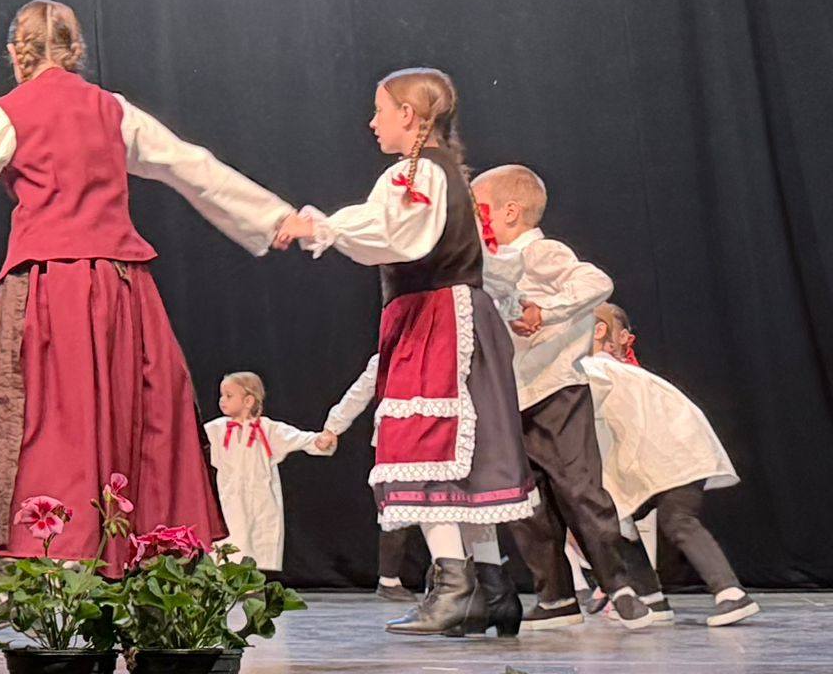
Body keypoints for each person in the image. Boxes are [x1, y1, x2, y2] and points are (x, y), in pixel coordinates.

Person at [0, 0, 294, 631]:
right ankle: (149, 581)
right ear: (75, 50)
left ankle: (21, 578)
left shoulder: (11, 114)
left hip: (52, 289)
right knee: (134, 422)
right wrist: (272, 217)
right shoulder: (114, 109)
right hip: (123, 291)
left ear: (16, 53)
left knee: (37, 424)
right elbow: (193, 167)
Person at [274, 68, 536, 637]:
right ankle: (493, 592)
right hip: (456, 314)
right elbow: (483, 262)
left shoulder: (414, 175)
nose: (373, 123)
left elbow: (392, 234)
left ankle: (455, 588)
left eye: (381, 111)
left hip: (435, 319)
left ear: (409, 116)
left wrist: (319, 227)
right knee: (462, 456)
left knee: (425, 446)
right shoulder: (448, 177)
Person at [474, 164, 666, 632]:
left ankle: (620, 585)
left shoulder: (539, 251)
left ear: (510, 212)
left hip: (555, 390)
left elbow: (596, 282)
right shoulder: (489, 264)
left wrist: (546, 310)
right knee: (527, 503)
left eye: (479, 211)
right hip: (511, 399)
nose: (473, 221)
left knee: (580, 490)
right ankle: (555, 597)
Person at [583, 305, 759, 626]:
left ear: (597, 331)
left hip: (674, 457)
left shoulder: (596, 370)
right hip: (659, 462)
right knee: (616, 518)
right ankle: (652, 598)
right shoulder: (617, 371)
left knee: (677, 519)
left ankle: (731, 593)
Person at [202, 372, 332, 574]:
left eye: (229, 396)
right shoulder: (216, 429)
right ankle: (225, 581)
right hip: (228, 497)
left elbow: (297, 438)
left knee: (261, 539)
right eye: (222, 395)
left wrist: (319, 441)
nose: (222, 400)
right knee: (230, 540)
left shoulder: (268, 429)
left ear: (248, 401)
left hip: (261, 497)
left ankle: (257, 581)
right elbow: (193, 442)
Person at [319, 353, 425, 601]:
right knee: (396, 510)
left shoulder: (439, 353)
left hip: (434, 436)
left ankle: (451, 577)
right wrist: (333, 427)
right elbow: (359, 392)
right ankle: (389, 579)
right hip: (396, 442)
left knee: (444, 507)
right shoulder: (385, 359)